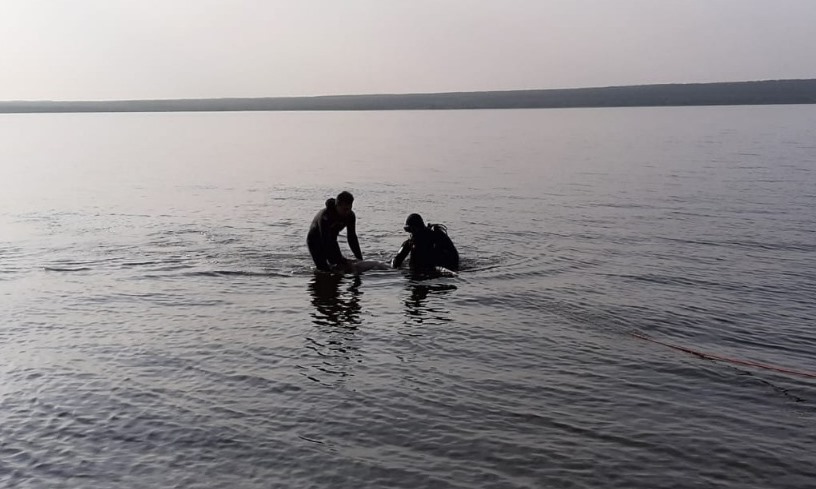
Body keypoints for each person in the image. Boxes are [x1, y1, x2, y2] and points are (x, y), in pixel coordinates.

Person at [307, 191, 363, 272]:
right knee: (324, 270)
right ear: (337, 206)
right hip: (315, 240)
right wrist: (340, 259)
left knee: (338, 268)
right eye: (344, 209)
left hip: (332, 239)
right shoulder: (326, 216)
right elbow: (325, 240)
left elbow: (352, 237)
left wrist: (359, 258)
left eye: (349, 209)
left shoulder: (350, 216)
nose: (347, 212)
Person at [391, 213, 459, 271]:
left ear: (419, 228)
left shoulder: (436, 236)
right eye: (408, 230)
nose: (411, 234)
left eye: (412, 229)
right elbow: (397, 260)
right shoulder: (411, 242)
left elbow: (454, 255)